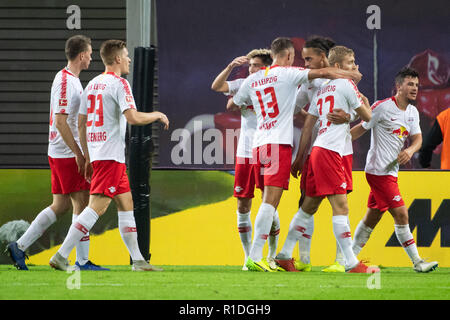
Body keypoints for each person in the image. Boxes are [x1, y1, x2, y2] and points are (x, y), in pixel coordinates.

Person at [232, 38, 362, 272]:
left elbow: (235, 102)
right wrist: (350, 74)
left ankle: (291, 257)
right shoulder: (291, 75)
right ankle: (256, 256)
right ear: (290, 56)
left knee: (298, 203)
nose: (304, 62)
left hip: (258, 145)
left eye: (309, 58)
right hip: (281, 145)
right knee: (272, 202)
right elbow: (322, 76)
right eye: (301, 58)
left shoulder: (254, 79)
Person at [49, 39, 169, 271]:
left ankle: (138, 261)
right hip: (110, 156)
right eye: (126, 55)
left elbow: (81, 122)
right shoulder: (120, 84)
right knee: (96, 208)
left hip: (102, 155)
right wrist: (157, 114)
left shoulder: (92, 83)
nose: (129, 59)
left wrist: (87, 154)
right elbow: (133, 118)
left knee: (127, 203)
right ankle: (61, 255)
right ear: (117, 59)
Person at [7, 35, 107, 271]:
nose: (92, 57)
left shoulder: (69, 80)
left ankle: (20, 246)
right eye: (90, 53)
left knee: (61, 204)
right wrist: (78, 154)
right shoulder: (65, 82)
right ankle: (81, 261)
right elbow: (61, 122)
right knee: (82, 202)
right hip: (64, 153)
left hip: (61, 151)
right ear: (81, 55)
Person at [275, 45, 376, 273]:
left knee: (308, 207)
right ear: (338, 66)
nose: (355, 67)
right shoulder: (346, 84)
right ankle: (349, 262)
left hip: (319, 150)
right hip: (331, 152)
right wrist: (363, 108)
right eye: (351, 62)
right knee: (341, 207)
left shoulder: (322, 90)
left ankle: (283, 255)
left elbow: (310, 121)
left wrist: (349, 115)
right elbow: (370, 118)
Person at [350, 67, 438, 273]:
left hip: (391, 172)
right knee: (401, 214)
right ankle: (418, 262)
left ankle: (348, 258)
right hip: (378, 171)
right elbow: (361, 129)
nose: (414, 88)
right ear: (398, 87)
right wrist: (335, 140)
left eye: (416, 85)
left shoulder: (412, 112)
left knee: (373, 216)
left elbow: (418, 139)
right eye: (409, 84)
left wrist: (410, 150)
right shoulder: (381, 107)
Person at [211, 49, 282, 270]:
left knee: (269, 202)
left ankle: (270, 255)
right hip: (245, 151)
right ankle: (247, 257)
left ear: (267, 67)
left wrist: (237, 101)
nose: (252, 69)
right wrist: (231, 66)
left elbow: (231, 105)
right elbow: (217, 87)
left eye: (257, 66)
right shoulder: (244, 82)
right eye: (250, 65)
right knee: (243, 204)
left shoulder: (275, 85)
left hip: (269, 147)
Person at [290, 36, 355, 273]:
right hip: (317, 149)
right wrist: (300, 156)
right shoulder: (309, 83)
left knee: (339, 203)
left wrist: (349, 117)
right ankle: (303, 260)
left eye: (309, 58)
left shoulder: (346, 79)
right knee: (308, 202)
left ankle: (342, 260)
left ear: (324, 57)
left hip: (339, 150)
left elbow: (362, 108)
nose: (305, 63)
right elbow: (295, 111)